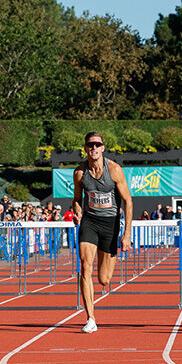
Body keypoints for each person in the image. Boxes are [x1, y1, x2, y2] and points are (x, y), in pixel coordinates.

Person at [70, 132, 133, 333]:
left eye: (97, 144)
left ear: (103, 148)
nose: (94, 148)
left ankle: (103, 259)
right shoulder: (80, 173)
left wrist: (127, 234)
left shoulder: (114, 170)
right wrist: (77, 211)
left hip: (110, 224)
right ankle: (90, 318)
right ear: (86, 148)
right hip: (90, 222)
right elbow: (77, 199)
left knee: (104, 279)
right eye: (90, 145)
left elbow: (128, 201)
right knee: (85, 266)